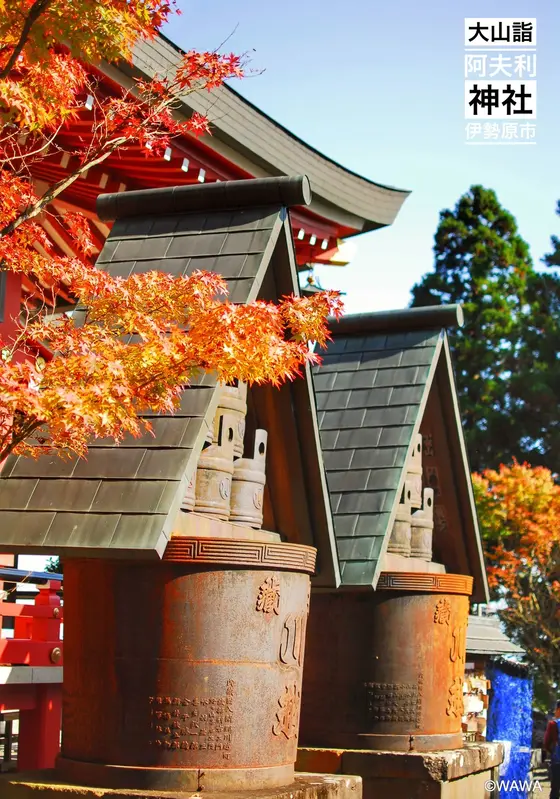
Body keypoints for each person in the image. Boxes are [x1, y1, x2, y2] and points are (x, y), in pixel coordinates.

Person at [544, 700, 560, 799]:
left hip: (557, 762)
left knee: (555, 789)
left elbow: (546, 744)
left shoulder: (553, 724)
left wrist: (553, 752)